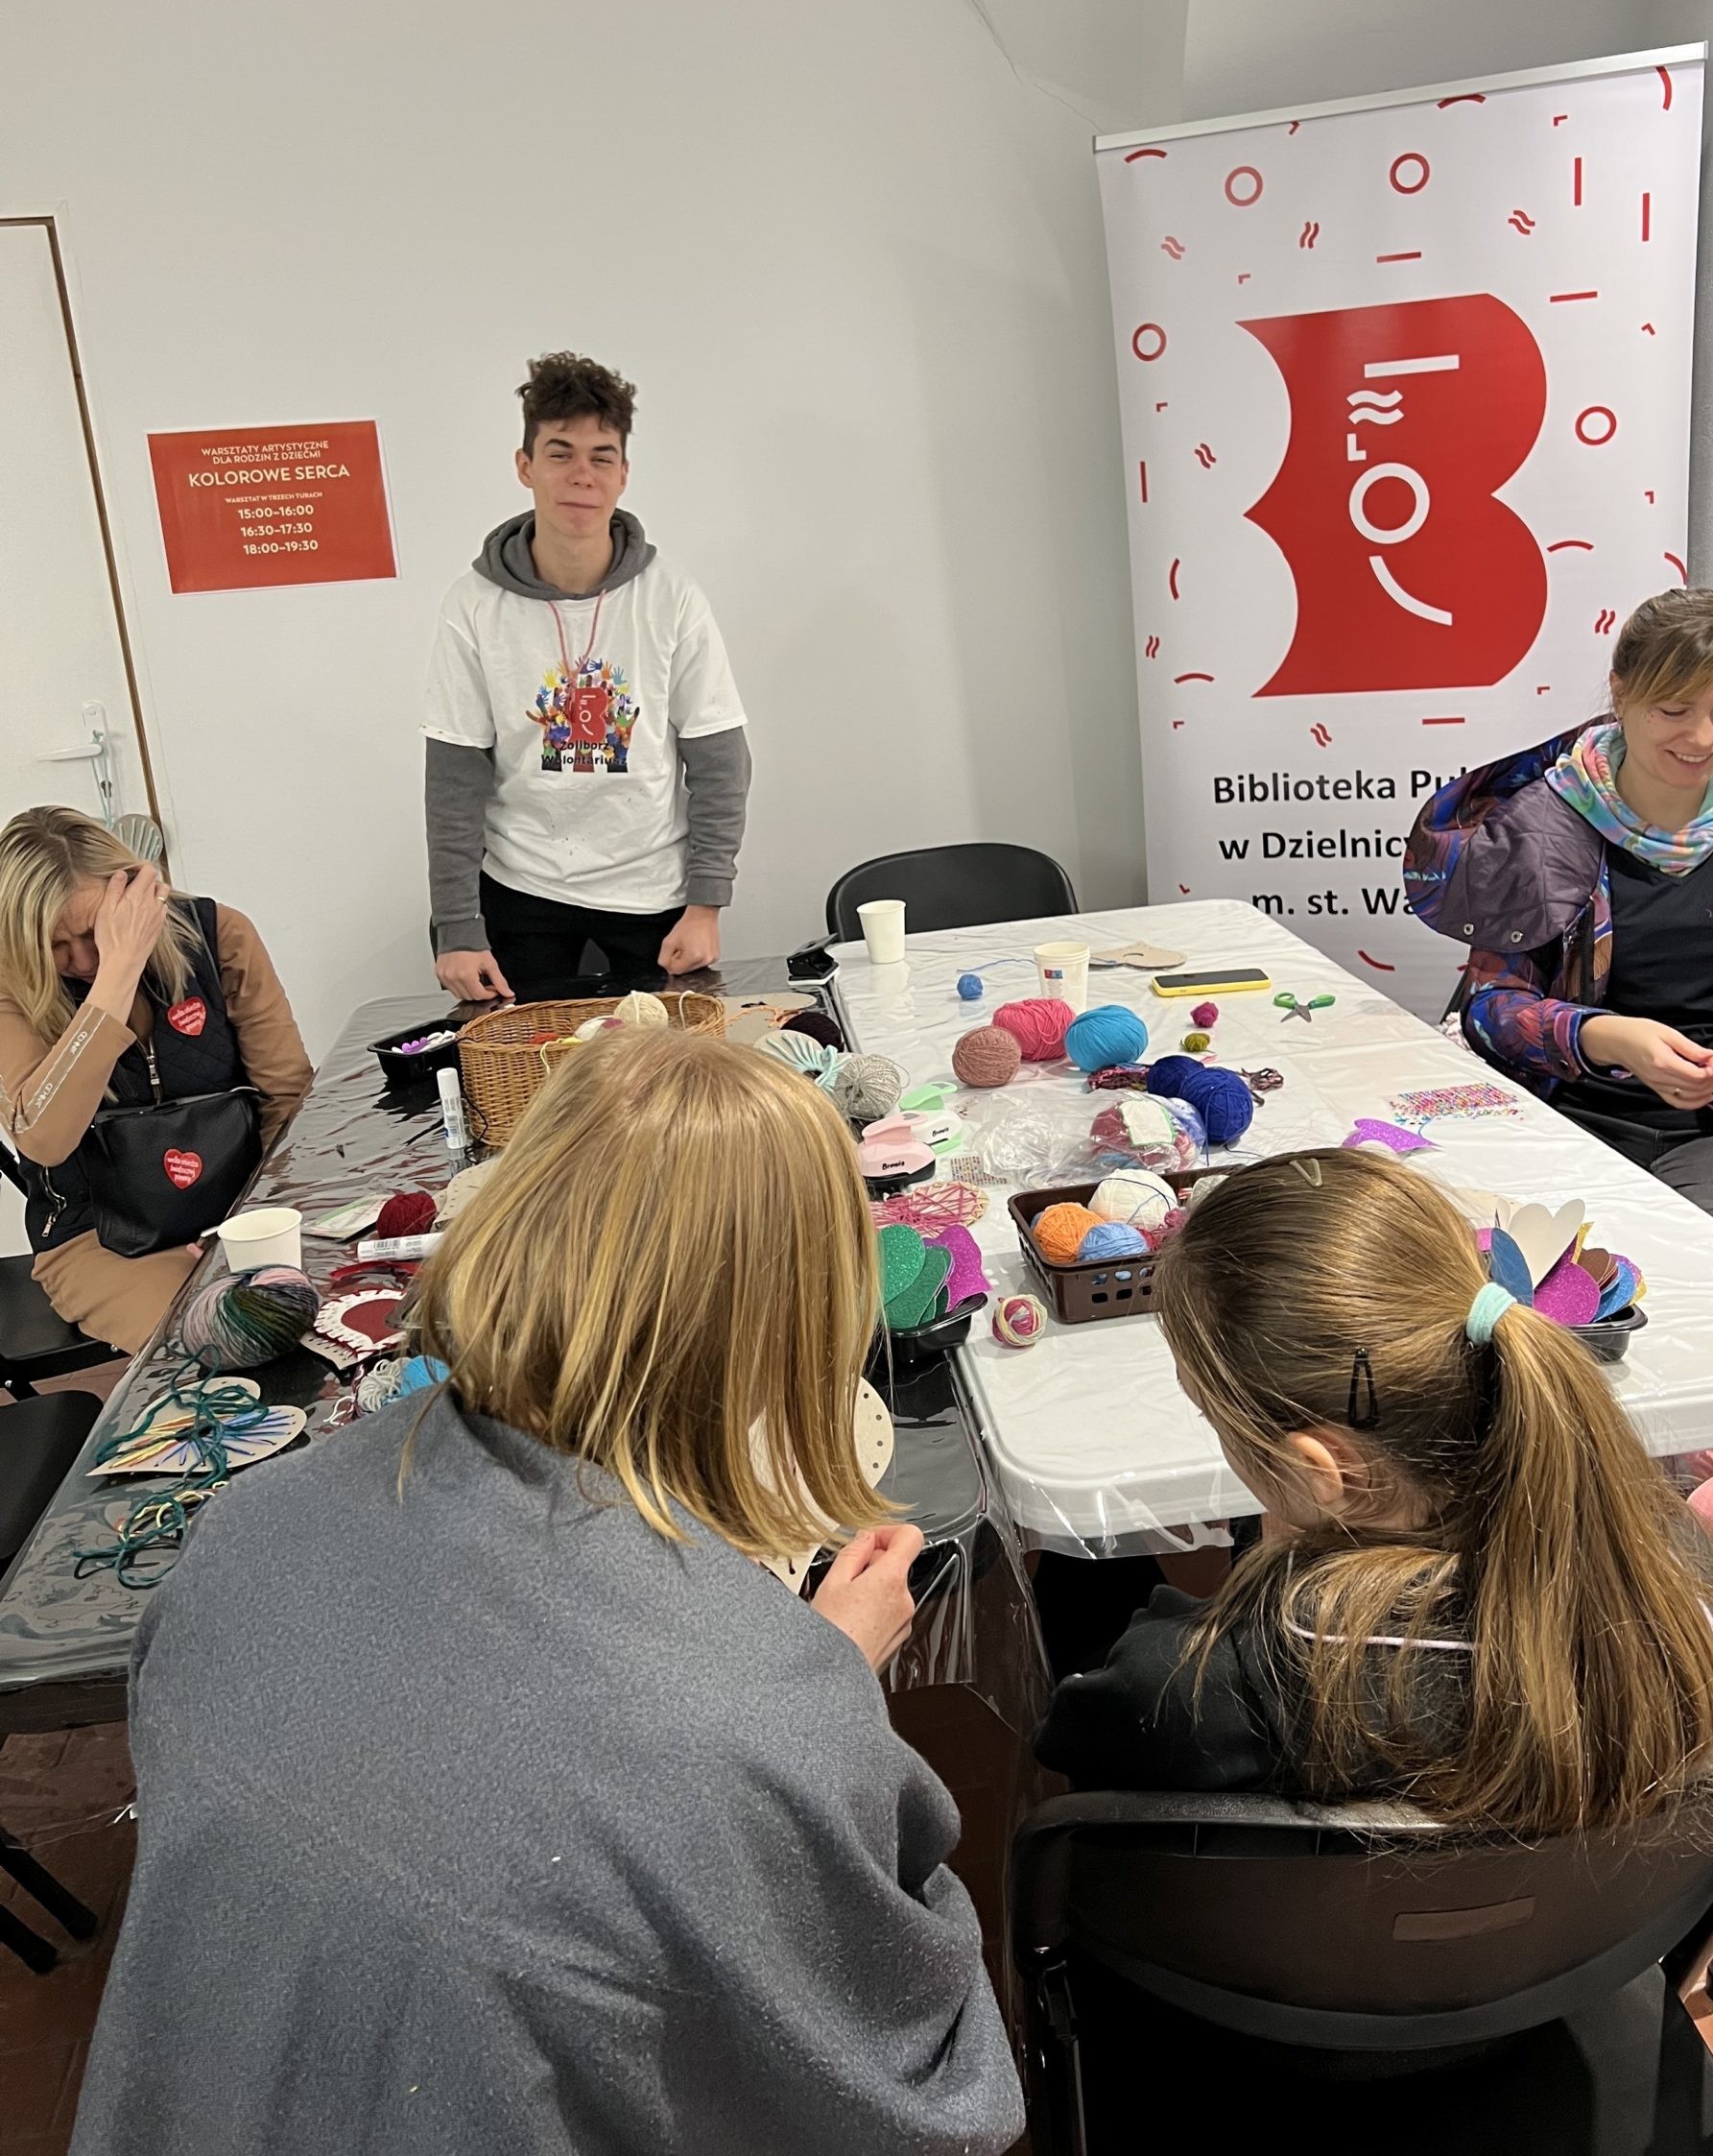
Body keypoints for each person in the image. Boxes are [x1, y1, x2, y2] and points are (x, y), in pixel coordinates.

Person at [72, 1033, 1022, 2156]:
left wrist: (784, 1688)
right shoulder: (755, 1720)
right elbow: (927, 2098)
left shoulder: (242, 1529)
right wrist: (824, 1689)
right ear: (795, 1320)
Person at [1036, 1148, 1713, 1814]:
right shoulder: (1688, 1594)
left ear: (1321, 1471)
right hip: (1581, 1923)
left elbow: (1079, 1739)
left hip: (1279, 1924)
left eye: (1211, 1412)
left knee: (1077, 1573)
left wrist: (1277, 1554)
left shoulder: (1193, 1684)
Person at [1403, 588, 1713, 1266]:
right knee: (1530, 1280)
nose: (1703, 739)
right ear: (1621, 692)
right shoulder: (1541, 827)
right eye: (1674, 710)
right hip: (1567, 1121)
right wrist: (1607, 1038)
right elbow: (1491, 1008)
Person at [424, 350, 751, 1002]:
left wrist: (707, 902)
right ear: (525, 466)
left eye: (602, 457)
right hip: (521, 891)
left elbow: (719, 759)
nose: (582, 474)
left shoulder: (671, 597)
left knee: (666, 1065)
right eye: (560, 453)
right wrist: (457, 927)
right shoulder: (474, 604)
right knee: (527, 1066)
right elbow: (455, 777)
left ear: (623, 474)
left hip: (655, 894)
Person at [0, 807, 310, 1351]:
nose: (82, 960)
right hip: (101, 1240)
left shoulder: (220, 935)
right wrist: (116, 976)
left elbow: (286, 1097)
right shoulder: (11, 983)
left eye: (95, 932)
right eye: (55, 944)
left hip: (242, 1205)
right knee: (228, 1339)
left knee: (333, 1307)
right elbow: (43, 1139)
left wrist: (251, 1220)